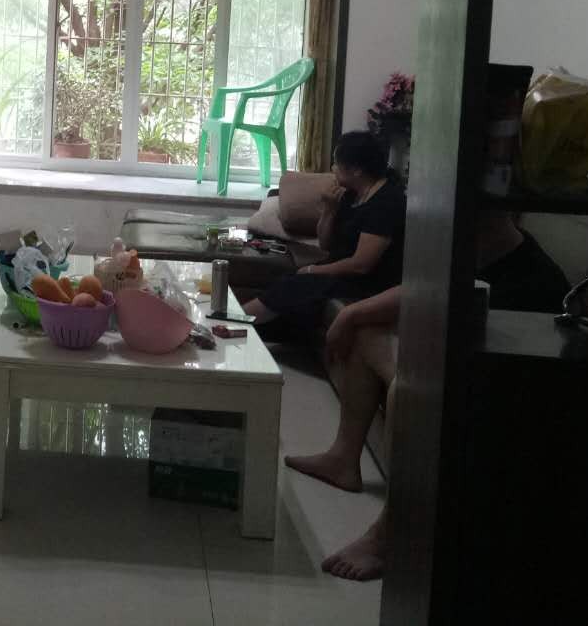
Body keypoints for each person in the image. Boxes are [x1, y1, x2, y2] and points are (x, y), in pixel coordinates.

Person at [287, 211, 569, 581]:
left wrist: (351, 313)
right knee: (366, 333)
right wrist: (352, 315)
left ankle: (388, 534)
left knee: (411, 388)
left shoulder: (530, 280)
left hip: (502, 392)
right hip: (461, 370)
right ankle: (343, 459)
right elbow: (423, 286)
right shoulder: (482, 254)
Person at [241, 131, 407, 337]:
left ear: (356, 170)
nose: (332, 169)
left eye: (336, 163)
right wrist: (329, 209)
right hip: (342, 272)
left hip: (368, 282)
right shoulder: (350, 194)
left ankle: (231, 323)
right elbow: (326, 244)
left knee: (296, 285)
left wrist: (313, 270)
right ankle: (244, 330)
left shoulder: (386, 203)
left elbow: (361, 265)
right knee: (286, 284)